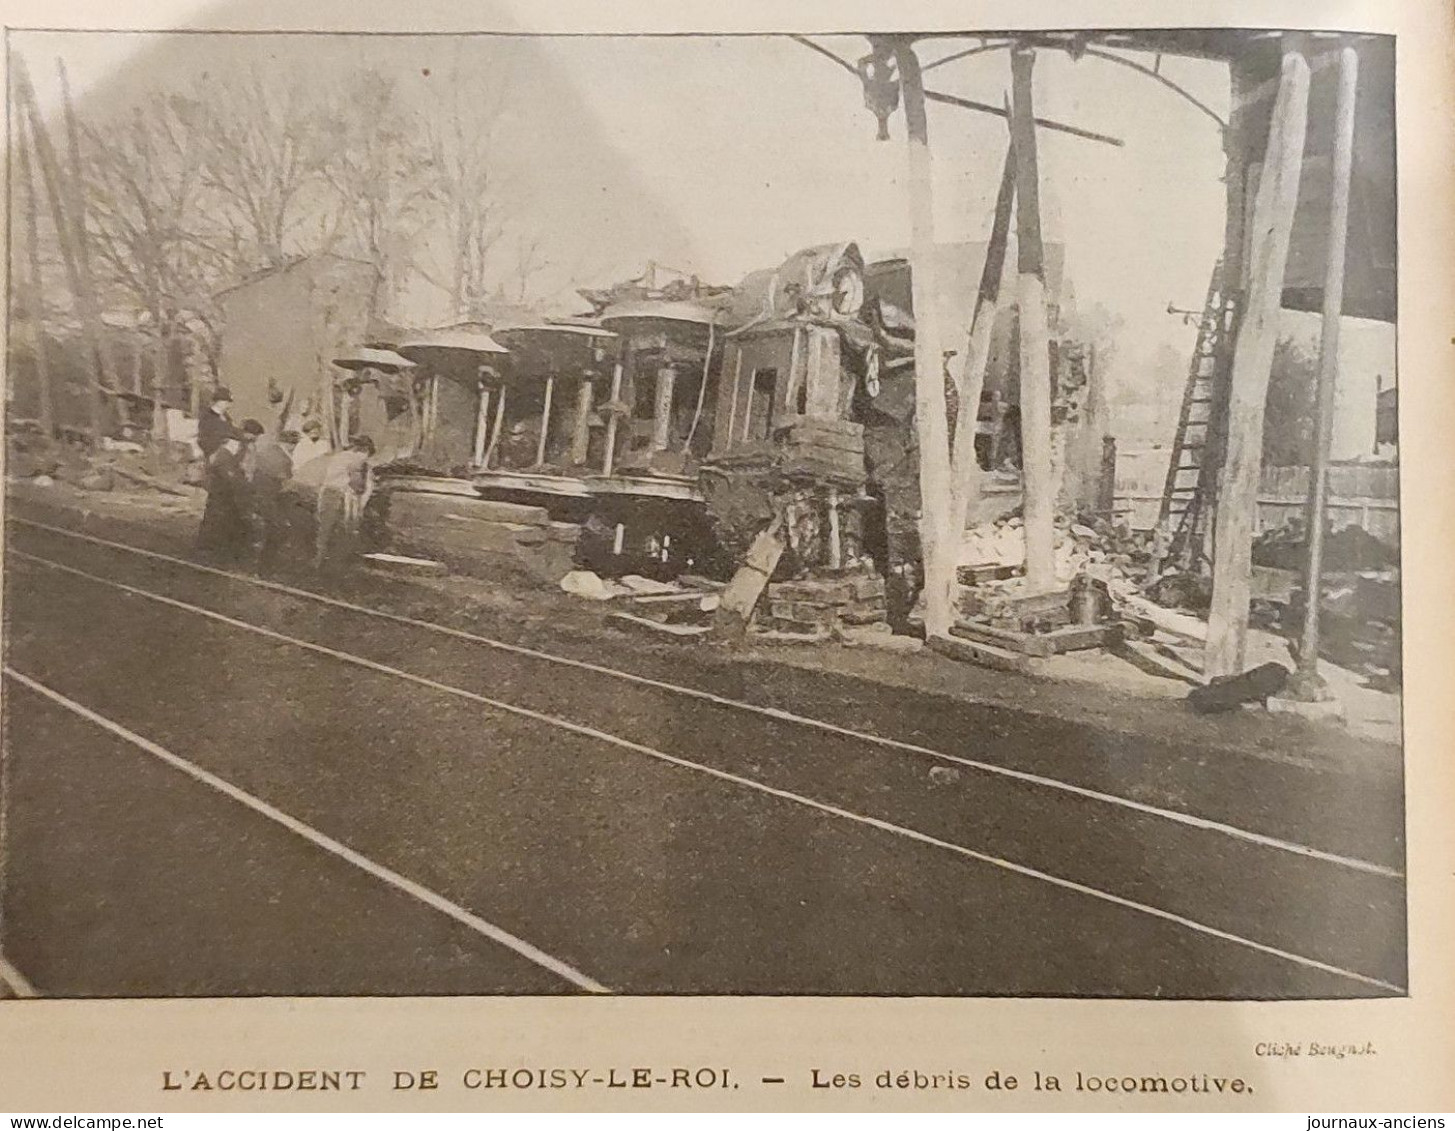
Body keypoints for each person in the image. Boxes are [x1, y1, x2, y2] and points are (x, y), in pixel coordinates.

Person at [313, 435, 375, 573]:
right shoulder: (357, 461)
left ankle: (319, 563)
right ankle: (332, 567)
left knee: (325, 530)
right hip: (341, 497)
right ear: (363, 450)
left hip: (330, 494)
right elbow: (358, 485)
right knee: (343, 532)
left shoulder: (339, 457)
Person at [243, 420, 296, 573]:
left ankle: (258, 564)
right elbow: (285, 482)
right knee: (278, 530)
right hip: (268, 499)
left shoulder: (267, 450)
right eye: (293, 445)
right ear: (290, 445)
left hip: (256, 495)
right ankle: (264, 568)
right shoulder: (284, 459)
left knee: (267, 530)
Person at [196, 426, 252, 563]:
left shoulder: (227, 456)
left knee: (218, 525)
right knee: (215, 525)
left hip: (222, 498)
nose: (239, 447)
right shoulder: (224, 457)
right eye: (238, 443)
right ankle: (207, 554)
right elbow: (232, 479)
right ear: (230, 442)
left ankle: (210, 552)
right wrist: (245, 485)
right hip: (221, 498)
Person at [196, 386, 235, 460]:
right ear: (219, 401)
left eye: (229, 402)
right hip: (211, 454)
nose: (229, 405)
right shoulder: (207, 417)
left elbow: (230, 430)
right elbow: (204, 438)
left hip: (224, 454)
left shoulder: (226, 417)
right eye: (226, 402)